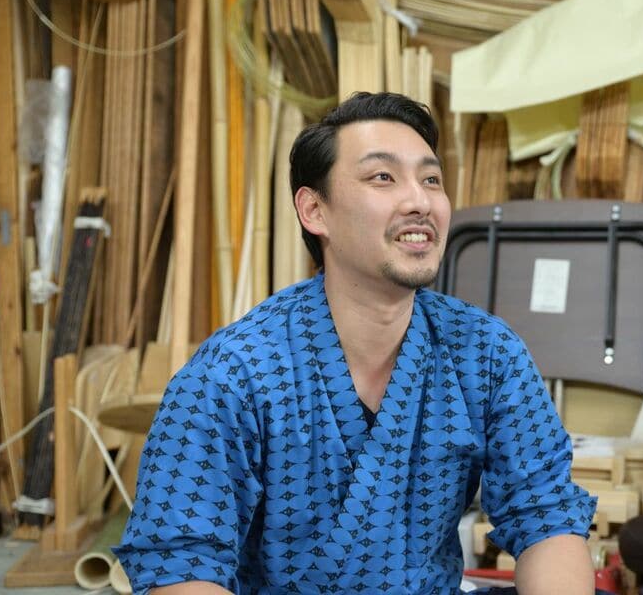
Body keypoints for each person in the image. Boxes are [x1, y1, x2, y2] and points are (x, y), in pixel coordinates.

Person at [114, 92, 597, 594]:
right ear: (314, 210)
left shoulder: (486, 353)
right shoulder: (234, 373)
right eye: (383, 177)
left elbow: (546, 516)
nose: (420, 201)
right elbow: (182, 564)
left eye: (431, 179)